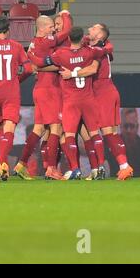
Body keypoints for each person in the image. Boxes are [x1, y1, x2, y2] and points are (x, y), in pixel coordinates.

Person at [31, 27, 111, 180]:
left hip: (70, 101)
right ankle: (100, 166)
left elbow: (40, 62)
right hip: (88, 99)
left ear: (69, 39)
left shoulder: (61, 54)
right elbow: (104, 52)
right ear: (82, 39)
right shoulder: (90, 52)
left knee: (69, 135)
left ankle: (75, 169)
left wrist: (30, 54)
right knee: (94, 133)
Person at [14, 11, 72, 181]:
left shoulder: (33, 43)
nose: (54, 29)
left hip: (40, 88)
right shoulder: (46, 41)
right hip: (49, 89)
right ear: (43, 28)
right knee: (56, 128)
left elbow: (35, 65)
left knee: (38, 129)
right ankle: (52, 169)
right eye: (51, 27)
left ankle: (20, 165)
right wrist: (66, 15)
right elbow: (67, 32)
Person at [0, 16, 35, 182]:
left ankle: (2, 168)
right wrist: (18, 79)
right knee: (8, 128)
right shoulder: (16, 46)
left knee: (1, 128)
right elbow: (29, 69)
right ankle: (1, 161)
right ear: (8, 29)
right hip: (10, 92)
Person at [85, 24, 133, 180]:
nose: (90, 28)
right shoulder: (98, 46)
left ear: (99, 36)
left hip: (104, 93)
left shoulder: (99, 51)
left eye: (94, 28)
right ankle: (115, 167)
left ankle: (124, 166)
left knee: (107, 132)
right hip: (100, 93)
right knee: (104, 133)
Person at [107, 108, 140, 177]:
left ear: (137, 127)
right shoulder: (111, 144)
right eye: (126, 126)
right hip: (116, 186)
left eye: (132, 126)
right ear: (121, 127)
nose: (128, 130)